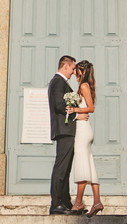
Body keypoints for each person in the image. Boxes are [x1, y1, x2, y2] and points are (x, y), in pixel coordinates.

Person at [65, 60, 103, 218]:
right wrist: (79, 111)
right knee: (89, 164)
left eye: (77, 70)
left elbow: (91, 107)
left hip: (82, 130)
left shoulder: (83, 86)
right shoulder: (84, 85)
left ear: (83, 72)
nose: (75, 73)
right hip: (85, 128)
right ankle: (97, 201)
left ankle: (78, 202)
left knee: (81, 164)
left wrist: (75, 109)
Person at [48, 55, 79, 215]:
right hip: (64, 129)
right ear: (65, 66)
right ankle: (56, 203)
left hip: (66, 130)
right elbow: (59, 104)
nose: (73, 72)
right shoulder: (58, 82)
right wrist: (76, 113)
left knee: (65, 168)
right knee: (61, 167)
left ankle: (65, 202)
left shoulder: (59, 82)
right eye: (73, 68)